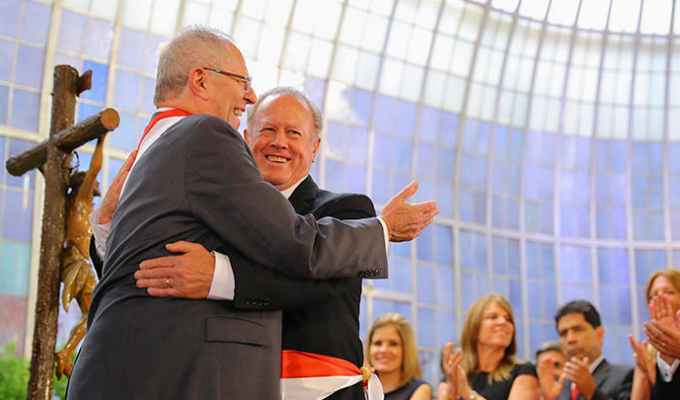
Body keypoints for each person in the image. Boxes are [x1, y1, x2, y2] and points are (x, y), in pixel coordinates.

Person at [67, 25, 438, 399]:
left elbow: (318, 279)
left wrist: (218, 276)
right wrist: (384, 229)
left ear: (315, 147)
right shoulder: (203, 137)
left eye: (294, 133)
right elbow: (154, 271)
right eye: (242, 83)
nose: (249, 95)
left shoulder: (344, 208)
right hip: (179, 374)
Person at [440, 294, 540, 400]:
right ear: (474, 329)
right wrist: (451, 391)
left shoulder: (524, 371)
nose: (502, 322)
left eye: (508, 319)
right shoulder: (456, 376)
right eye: (493, 317)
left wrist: (467, 393)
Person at [539, 300, 633, 400]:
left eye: (578, 330)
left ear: (599, 334)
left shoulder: (625, 377)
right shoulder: (560, 387)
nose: (570, 339)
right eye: (563, 333)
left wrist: (592, 393)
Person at [628, 268, 680, 399]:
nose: (660, 297)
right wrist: (646, 374)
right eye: (653, 295)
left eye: (669, 292)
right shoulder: (648, 354)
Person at [366, 313, 432, 400]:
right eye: (378, 343)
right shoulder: (359, 387)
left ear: (406, 349)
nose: (383, 350)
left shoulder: (421, 390)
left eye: (393, 344)